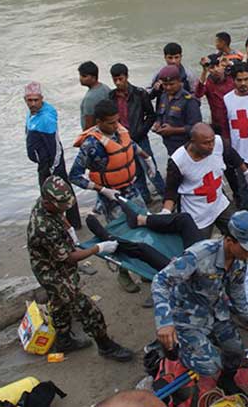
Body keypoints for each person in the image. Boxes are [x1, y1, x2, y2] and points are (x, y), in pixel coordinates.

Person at [151, 211, 248, 395]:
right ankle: (172, 346)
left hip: (216, 312)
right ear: (229, 241)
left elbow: (237, 294)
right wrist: (164, 322)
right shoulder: (199, 255)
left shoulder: (239, 262)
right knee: (208, 367)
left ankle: (226, 380)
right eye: (245, 248)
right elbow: (161, 281)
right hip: (187, 316)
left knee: (236, 352)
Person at [26, 175, 133, 362]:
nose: (66, 207)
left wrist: (70, 231)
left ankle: (64, 340)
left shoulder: (50, 202)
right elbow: (68, 258)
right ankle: (105, 346)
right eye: (62, 205)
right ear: (47, 201)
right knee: (87, 309)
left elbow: (60, 214)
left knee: (59, 304)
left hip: (53, 263)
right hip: (52, 272)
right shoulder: (42, 227)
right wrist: (98, 248)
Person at [70, 99, 153, 293]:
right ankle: (123, 274)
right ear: (98, 121)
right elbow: (74, 176)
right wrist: (101, 190)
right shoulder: (91, 145)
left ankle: (143, 266)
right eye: (110, 123)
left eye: (117, 121)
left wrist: (146, 157)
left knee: (143, 226)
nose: (115, 126)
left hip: (131, 189)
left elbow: (131, 145)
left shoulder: (119, 131)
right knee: (121, 236)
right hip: (111, 196)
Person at [163, 123, 248, 240]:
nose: (211, 146)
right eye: (206, 143)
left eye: (212, 141)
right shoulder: (178, 161)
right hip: (197, 214)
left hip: (219, 203)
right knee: (200, 249)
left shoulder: (219, 143)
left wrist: (246, 173)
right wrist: (165, 212)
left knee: (240, 234)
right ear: (193, 141)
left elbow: (233, 156)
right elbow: (171, 191)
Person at [24, 81, 81, 229]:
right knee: (62, 190)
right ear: (25, 100)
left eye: (36, 100)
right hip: (43, 162)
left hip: (50, 163)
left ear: (42, 98)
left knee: (54, 194)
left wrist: (54, 168)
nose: (33, 103)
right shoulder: (33, 113)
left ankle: (66, 224)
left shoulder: (47, 118)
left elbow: (55, 146)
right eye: (29, 100)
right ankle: (72, 222)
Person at [108, 63, 165, 204]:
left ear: (126, 77)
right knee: (135, 171)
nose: (118, 82)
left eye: (120, 79)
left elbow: (151, 115)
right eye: (115, 80)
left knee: (151, 168)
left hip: (139, 137)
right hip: (123, 140)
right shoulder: (111, 96)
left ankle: (166, 195)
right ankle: (146, 198)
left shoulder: (140, 94)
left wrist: (141, 131)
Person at [153, 64, 202, 156]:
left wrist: (173, 130)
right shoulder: (163, 97)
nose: (168, 88)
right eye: (165, 85)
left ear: (179, 81)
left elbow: (196, 128)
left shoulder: (189, 100)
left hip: (186, 147)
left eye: (171, 84)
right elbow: (160, 115)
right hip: (169, 146)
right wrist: (158, 123)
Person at [195, 54, 235, 144]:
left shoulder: (232, 78)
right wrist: (204, 71)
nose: (216, 70)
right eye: (212, 67)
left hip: (235, 121)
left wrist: (230, 63)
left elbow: (244, 70)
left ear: (223, 66)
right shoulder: (208, 83)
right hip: (220, 126)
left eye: (218, 66)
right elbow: (198, 94)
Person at [78, 61, 111, 130]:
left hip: (95, 134)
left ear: (93, 77)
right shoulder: (105, 87)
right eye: (80, 75)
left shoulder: (90, 98)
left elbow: (89, 124)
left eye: (84, 76)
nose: (80, 78)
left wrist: (85, 138)